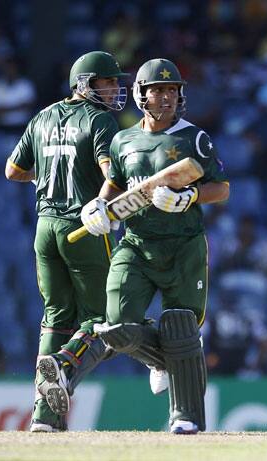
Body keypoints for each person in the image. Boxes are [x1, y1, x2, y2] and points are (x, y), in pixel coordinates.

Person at [74, 58, 229, 434]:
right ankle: (161, 361)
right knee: (117, 325)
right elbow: (115, 184)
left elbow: (222, 188)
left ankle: (186, 418)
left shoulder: (194, 138)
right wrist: (97, 206)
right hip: (137, 243)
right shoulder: (123, 140)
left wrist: (188, 197)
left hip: (183, 246)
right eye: (157, 90)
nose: (166, 97)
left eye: (172, 90)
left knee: (181, 325)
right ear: (141, 95)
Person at [5, 51, 128, 432]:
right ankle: (61, 364)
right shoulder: (100, 120)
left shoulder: (42, 116)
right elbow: (113, 171)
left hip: (44, 227)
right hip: (83, 227)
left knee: (56, 318)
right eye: (107, 83)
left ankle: (45, 417)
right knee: (105, 319)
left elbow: (13, 170)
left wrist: (50, 175)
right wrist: (104, 198)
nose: (114, 90)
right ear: (85, 84)